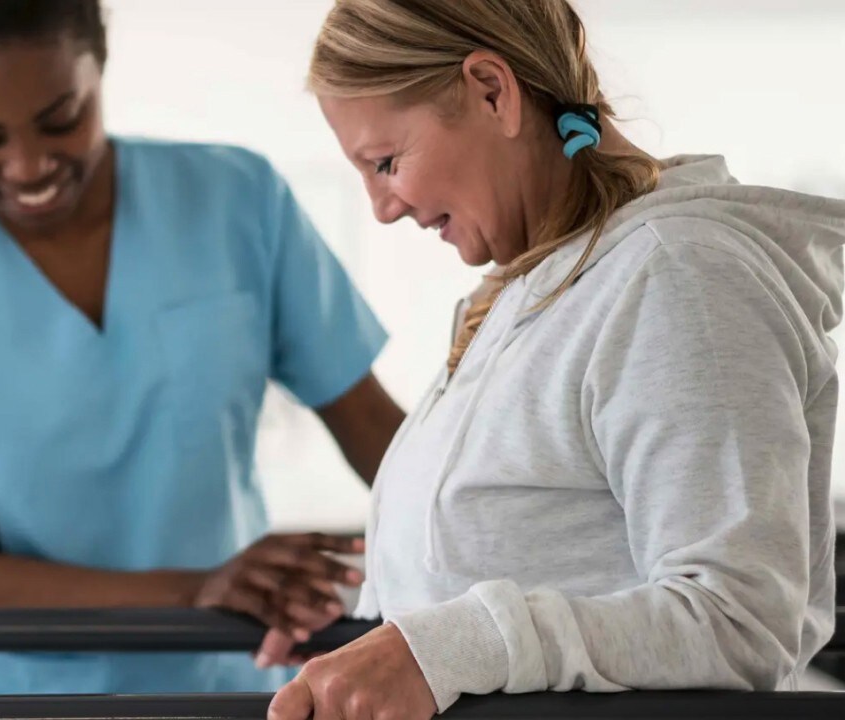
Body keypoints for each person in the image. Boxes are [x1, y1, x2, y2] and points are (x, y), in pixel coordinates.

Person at [264, 1, 845, 718]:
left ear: (492, 91)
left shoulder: (677, 279)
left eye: (386, 162)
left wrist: (443, 646)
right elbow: (521, 569)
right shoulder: (532, 293)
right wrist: (367, 635)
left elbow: (737, 623)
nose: (383, 207)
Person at [0, 0, 405, 696]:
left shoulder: (236, 201)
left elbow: (374, 430)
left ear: (98, 66)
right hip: (16, 702)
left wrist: (501, 553)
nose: (27, 164)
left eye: (61, 119)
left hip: (229, 683)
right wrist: (197, 589)